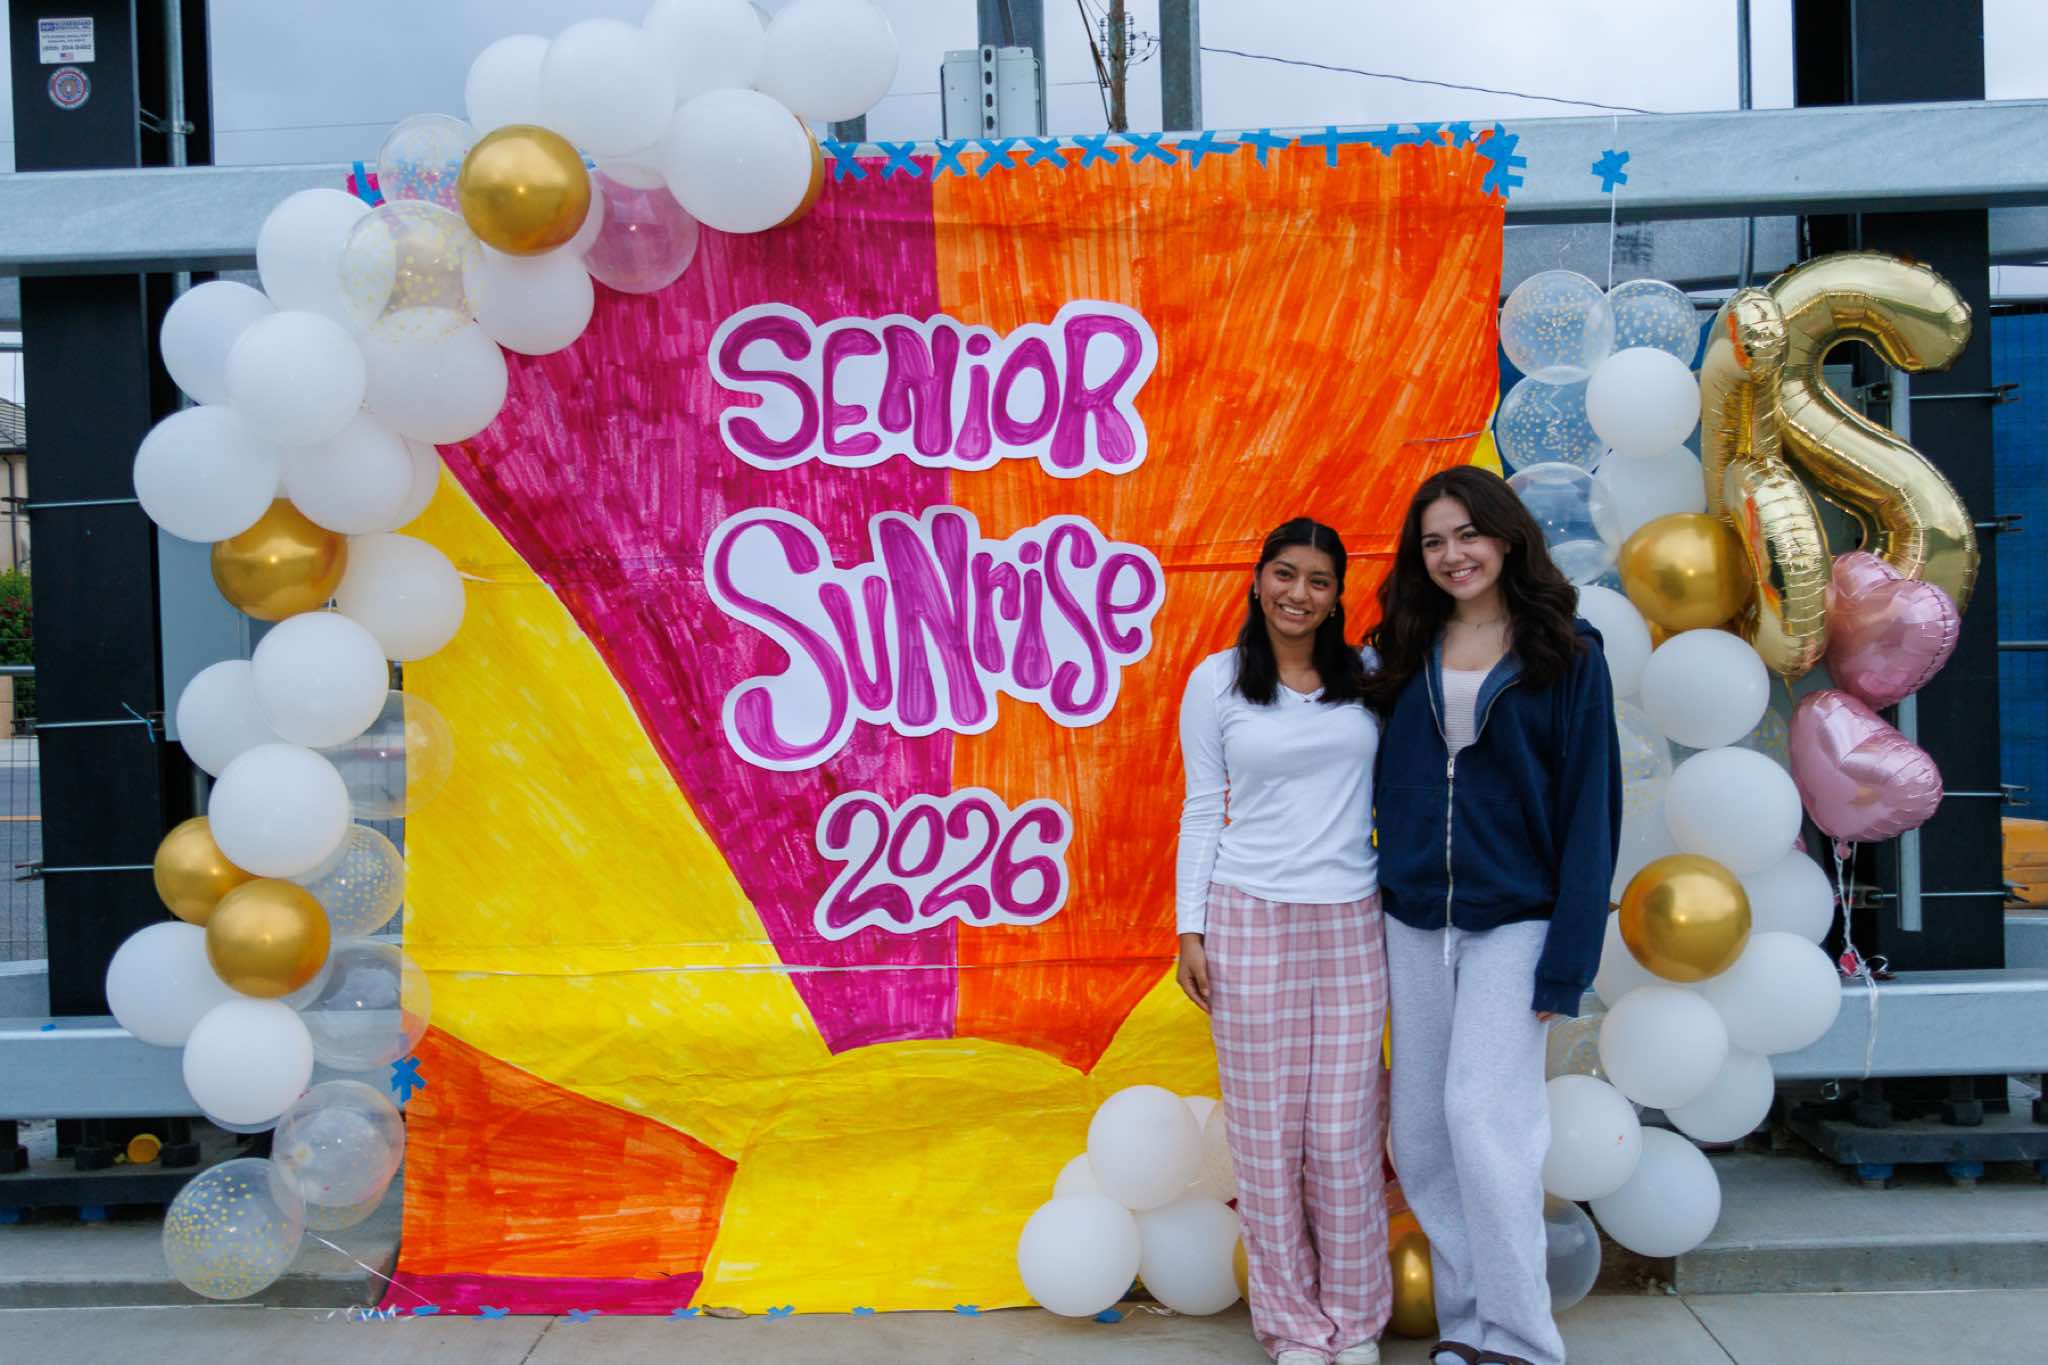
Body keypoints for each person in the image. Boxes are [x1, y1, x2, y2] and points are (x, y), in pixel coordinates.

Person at [1365, 466, 1621, 1365]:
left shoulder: (1568, 653)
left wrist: (1569, 958)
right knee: (1420, 1133)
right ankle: (1469, 1326)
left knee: (1484, 1117)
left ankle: (1521, 1340)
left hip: (1516, 918)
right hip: (1414, 918)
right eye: (1433, 540)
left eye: (1468, 533)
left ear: (1506, 536)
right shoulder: (1402, 649)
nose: (1453, 554)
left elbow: (1591, 810)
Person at [1175, 517, 1390, 1365]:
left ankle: (1356, 1320)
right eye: (1285, 574)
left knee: (1342, 1134)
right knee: (1266, 1142)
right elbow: (1202, 807)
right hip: (1248, 914)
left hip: (1351, 918)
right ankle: (1295, 1327)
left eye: (1319, 580)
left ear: (1338, 596)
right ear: (1258, 579)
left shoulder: (1366, 676)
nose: (1299, 593)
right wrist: (1189, 927)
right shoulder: (1218, 681)